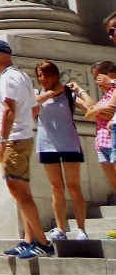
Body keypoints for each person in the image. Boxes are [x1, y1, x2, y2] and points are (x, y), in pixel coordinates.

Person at [0, 40, 52, 259]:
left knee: (17, 191)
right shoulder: (22, 76)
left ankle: (43, 243)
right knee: (23, 191)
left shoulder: (7, 78)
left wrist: (2, 140)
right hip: (23, 137)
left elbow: (9, 110)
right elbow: (33, 108)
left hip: (14, 140)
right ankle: (29, 239)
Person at [32, 62, 87, 241]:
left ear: (56, 75)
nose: (43, 79)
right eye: (40, 75)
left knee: (74, 186)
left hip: (69, 143)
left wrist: (80, 90)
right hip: (47, 144)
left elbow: (90, 107)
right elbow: (31, 108)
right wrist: (49, 94)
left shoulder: (68, 94)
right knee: (56, 188)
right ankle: (60, 228)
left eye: (47, 75)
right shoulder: (37, 93)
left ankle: (81, 229)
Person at [75, 60, 116, 201]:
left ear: (111, 74)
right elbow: (88, 114)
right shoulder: (105, 96)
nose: (97, 82)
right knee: (114, 182)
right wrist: (98, 109)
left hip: (113, 141)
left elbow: (110, 113)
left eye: (99, 77)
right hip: (101, 143)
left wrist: (95, 110)